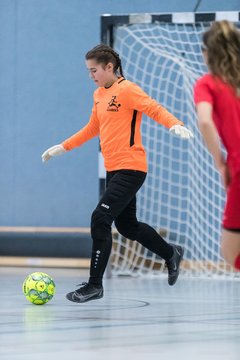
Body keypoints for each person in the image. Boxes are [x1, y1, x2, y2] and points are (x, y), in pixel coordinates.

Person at [42, 44, 193, 303]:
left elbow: (154, 108)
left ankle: (94, 285)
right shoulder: (99, 94)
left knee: (100, 218)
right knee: (127, 226)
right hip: (115, 170)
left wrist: (175, 124)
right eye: (89, 71)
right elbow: (93, 128)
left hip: (132, 168)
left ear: (109, 67)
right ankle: (171, 253)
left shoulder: (128, 90)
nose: (91, 75)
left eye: (94, 70)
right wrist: (63, 147)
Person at [194, 20, 240, 271]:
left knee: (231, 252)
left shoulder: (208, 83)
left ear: (208, 52)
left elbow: (205, 121)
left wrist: (219, 162)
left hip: (238, 165)